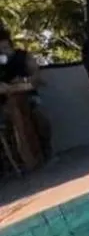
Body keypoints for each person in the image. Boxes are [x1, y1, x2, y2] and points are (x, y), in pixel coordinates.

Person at [0, 24, 52, 160]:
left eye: (5, 48)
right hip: (5, 103)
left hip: (28, 96)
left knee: (39, 117)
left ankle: (45, 150)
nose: (3, 52)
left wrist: (23, 80)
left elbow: (37, 77)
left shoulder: (23, 56)